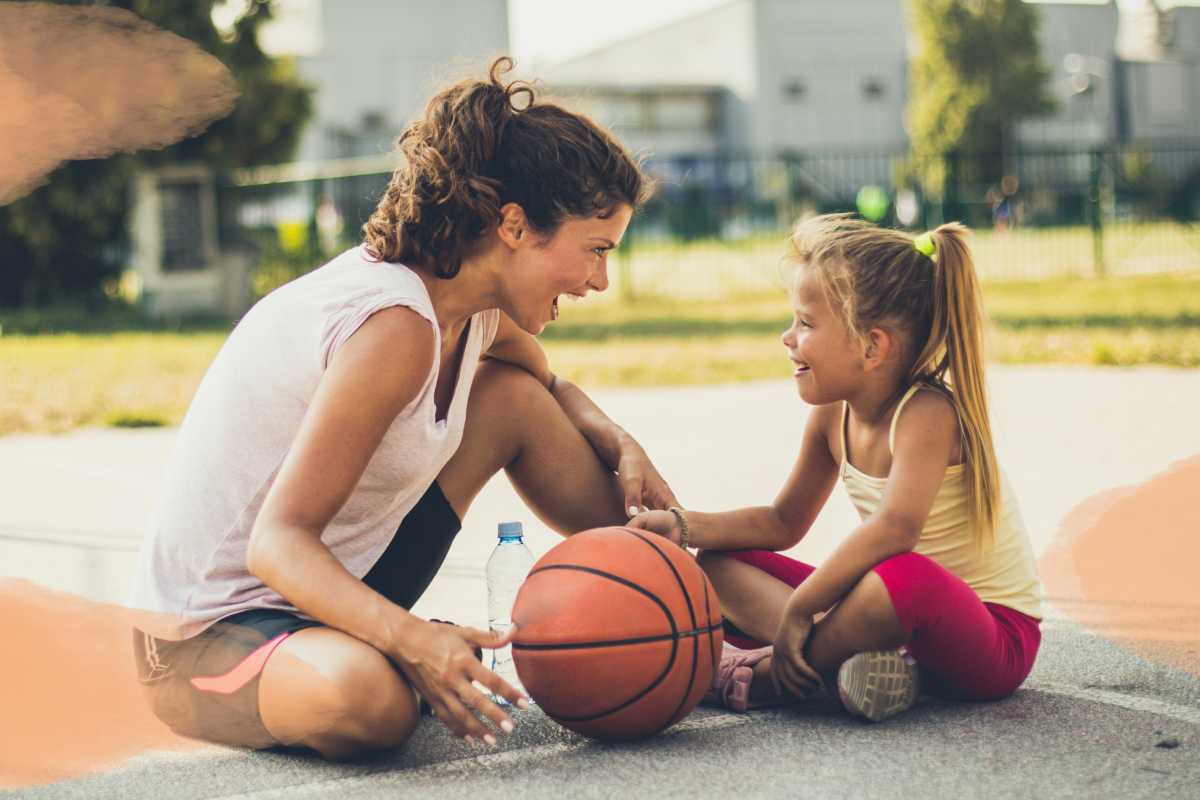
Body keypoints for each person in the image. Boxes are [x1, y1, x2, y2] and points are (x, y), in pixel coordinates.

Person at [126, 57, 678, 759]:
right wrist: (412, 639)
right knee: (369, 705)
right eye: (595, 250)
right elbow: (276, 543)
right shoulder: (393, 324)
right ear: (512, 225)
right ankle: (400, 656)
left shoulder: (472, 307)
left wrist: (620, 440)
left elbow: (546, 385)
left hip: (327, 598)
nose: (601, 280)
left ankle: (671, 605)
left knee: (511, 399)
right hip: (204, 638)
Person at [631, 215, 1042, 721]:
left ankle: (760, 681)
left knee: (904, 576)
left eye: (806, 323)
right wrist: (684, 524)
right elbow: (783, 520)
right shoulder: (832, 415)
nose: (788, 337)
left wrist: (801, 610)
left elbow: (896, 530)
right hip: (895, 625)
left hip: (992, 637)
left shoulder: (928, 414)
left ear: (872, 346)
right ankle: (848, 661)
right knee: (719, 559)